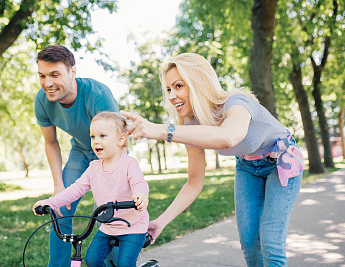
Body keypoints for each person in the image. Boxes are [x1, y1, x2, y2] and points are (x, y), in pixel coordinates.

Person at [121, 53, 305, 267]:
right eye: (169, 89)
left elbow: (228, 137)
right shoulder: (191, 127)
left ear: (198, 82)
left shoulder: (236, 104)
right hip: (247, 166)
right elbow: (193, 183)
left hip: (282, 161)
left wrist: (163, 130)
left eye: (178, 86)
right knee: (249, 244)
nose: (171, 95)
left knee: (271, 242)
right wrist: (160, 222)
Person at [35, 45, 119, 266]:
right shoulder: (42, 101)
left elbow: (116, 143)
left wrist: (108, 183)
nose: (47, 83)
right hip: (80, 151)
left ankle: (115, 263)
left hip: (110, 154)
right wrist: (58, 186)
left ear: (73, 71)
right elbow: (51, 142)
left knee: (108, 212)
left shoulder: (98, 95)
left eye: (55, 74)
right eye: (42, 76)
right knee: (59, 208)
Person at [33, 111, 149, 267]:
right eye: (93, 137)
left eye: (102, 136)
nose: (95, 141)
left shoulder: (128, 163)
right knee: (92, 260)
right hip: (108, 227)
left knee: (125, 264)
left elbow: (138, 182)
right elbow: (75, 189)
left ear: (121, 139)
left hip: (133, 226)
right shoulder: (93, 168)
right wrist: (51, 202)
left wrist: (140, 193)